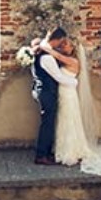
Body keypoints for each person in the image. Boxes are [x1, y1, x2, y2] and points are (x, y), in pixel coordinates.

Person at [36, 32, 101, 176]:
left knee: (69, 121)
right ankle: (62, 149)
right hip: (62, 93)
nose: (62, 46)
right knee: (63, 122)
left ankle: (70, 151)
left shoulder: (72, 61)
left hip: (68, 94)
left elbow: (58, 63)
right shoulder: (64, 60)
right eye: (62, 44)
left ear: (73, 49)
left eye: (66, 44)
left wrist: (43, 47)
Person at [30, 27, 77, 165]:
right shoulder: (47, 57)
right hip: (46, 92)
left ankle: (46, 152)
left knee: (48, 123)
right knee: (47, 124)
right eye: (62, 42)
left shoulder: (40, 49)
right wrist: (75, 81)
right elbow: (59, 77)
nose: (61, 45)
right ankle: (41, 155)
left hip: (40, 90)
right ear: (58, 39)